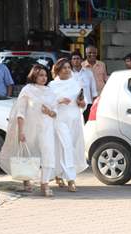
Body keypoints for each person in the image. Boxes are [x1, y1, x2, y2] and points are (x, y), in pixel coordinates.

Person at [0, 64, 57, 196]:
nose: (44, 78)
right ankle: (26, 181)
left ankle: (45, 183)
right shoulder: (28, 90)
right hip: (30, 128)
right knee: (28, 155)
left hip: (46, 128)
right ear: (34, 75)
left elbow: (55, 113)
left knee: (48, 153)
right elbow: (21, 112)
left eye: (45, 75)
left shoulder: (50, 91)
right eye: (40, 75)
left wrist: (49, 112)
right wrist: (21, 131)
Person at [49, 58, 88, 192]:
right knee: (66, 146)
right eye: (64, 68)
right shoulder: (52, 85)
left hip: (75, 118)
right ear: (58, 70)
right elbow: (47, 103)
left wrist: (82, 103)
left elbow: (84, 102)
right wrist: (59, 101)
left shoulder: (75, 83)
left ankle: (58, 174)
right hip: (59, 118)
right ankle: (71, 179)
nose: (67, 70)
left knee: (69, 146)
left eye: (68, 67)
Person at [70, 51, 98, 123]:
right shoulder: (68, 74)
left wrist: (94, 106)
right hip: (73, 105)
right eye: (74, 59)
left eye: (78, 58)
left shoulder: (88, 72)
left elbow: (94, 91)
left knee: (87, 125)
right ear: (71, 61)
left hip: (87, 104)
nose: (76, 61)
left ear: (81, 60)